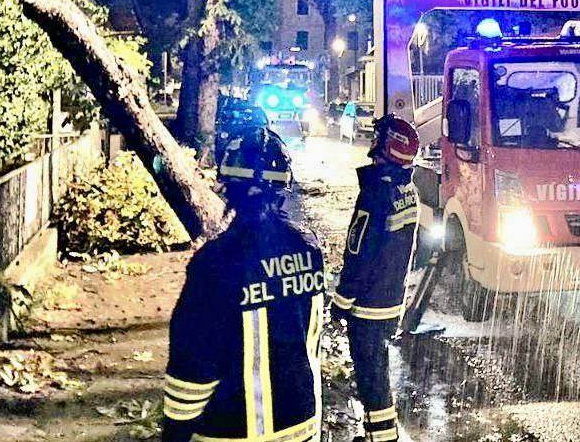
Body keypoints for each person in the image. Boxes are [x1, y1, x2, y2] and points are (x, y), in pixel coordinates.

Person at [162, 128, 325, 442]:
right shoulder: (309, 249)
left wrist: (174, 433)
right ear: (283, 188)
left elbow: (192, 366)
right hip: (303, 425)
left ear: (228, 188)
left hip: (232, 431)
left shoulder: (214, 262)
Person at [329, 114, 421, 442]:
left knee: (372, 377)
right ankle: (378, 435)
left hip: (368, 305)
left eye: (378, 137)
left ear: (387, 146)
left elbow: (359, 253)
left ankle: (382, 438)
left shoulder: (376, 193)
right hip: (391, 300)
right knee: (377, 372)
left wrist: (341, 303)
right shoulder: (407, 189)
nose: (373, 142)